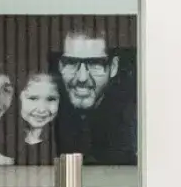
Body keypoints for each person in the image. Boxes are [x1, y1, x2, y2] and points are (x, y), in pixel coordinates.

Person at [52, 26, 136, 165]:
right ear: (60, 66)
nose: (82, 78)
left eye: (94, 64)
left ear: (113, 67)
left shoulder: (132, 121)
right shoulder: (47, 116)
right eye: (72, 63)